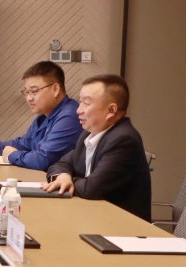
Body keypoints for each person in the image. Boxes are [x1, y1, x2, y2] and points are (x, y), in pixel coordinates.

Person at [43, 74, 152, 221]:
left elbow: (91, 189)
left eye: (86, 103)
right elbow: (62, 163)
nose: (79, 110)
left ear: (111, 110)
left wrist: (69, 181)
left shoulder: (124, 140)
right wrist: (63, 176)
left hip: (120, 227)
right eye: (80, 102)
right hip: (91, 216)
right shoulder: (89, 133)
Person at [0, 61, 81, 171]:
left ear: (55, 89)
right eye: (27, 92)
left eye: (34, 91)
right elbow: (21, 145)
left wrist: (11, 155)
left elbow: (42, 159)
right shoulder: (43, 117)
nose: (29, 98)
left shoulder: (69, 117)